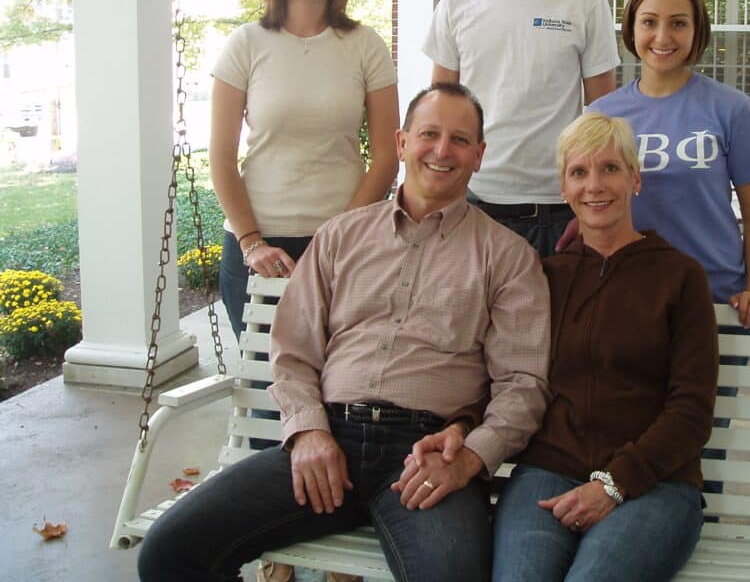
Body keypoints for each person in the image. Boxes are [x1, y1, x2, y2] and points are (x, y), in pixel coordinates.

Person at [138, 83, 551, 582]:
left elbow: (522, 385)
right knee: (168, 552)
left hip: (427, 456)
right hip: (328, 438)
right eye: (429, 134)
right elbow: (293, 352)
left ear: (479, 155)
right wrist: (308, 430)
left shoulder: (507, 257)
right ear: (400, 143)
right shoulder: (341, 236)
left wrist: (468, 458)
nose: (443, 151)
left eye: (460, 140)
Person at [394, 112, 717, 581]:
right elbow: (513, 378)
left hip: (656, 483)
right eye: (578, 172)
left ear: (635, 179)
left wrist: (614, 483)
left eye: (610, 168)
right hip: (548, 472)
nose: (594, 185)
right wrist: (463, 425)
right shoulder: (545, 276)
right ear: (563, 190)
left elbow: (691, 410)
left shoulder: (679, 277)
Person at [210, 0, 399, 344]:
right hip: (259, 251)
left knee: (339, 386)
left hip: (345, 246)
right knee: (266, 390)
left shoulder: (365, 46)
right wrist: (252, 242)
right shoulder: (245, 45)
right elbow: (220, 156)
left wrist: (338, 240)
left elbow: (388, 155)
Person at [423, 0, 620, 256]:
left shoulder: (584, 1)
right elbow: (440, 110)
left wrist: (590, 209)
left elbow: (602, 117)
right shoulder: (458, 0)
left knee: (555, 320)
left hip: (558, 211)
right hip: (474, 202)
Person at [589, 0, 750, 327]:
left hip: (716, 295)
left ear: (696, 31)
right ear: (631, 29)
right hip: (627, 294)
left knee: (709, 387)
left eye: (678, 23)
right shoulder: (601, 114)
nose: (663, 37)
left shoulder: (732, 109)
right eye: (649, 22)